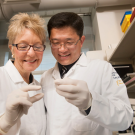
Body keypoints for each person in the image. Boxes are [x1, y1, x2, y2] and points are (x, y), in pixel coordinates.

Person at [40, 12, 133, 135]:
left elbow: (125, 119)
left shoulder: (102, 69)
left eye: (69, 42)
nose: (62, 49)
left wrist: (90, 103)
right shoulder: (45, 77)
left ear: (81, 41)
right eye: (56, 42)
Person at [0, 13, 46, 135]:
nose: (31, 53)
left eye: (37, 46)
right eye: (23, 46)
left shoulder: (38, 86)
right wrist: (4, 125)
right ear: (12, 49)